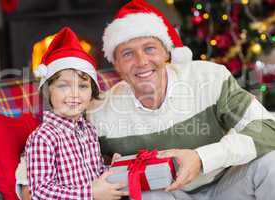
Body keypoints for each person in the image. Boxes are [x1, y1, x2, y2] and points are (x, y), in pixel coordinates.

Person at [17, 0, 275, 199]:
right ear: (115, 64)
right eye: (127, 53)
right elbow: (50, 144)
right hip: (169, 195)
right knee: (148, 194)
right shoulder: (100, 110)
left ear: (166, 52)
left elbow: (269, 129)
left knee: (271, 162)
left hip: (227, 186)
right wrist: (26, 184)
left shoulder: (209, 77)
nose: (141, 62)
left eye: (150, 49)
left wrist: (201, 158)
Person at [21, 27, 127, 200]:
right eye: (63, 85)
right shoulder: (43, 137)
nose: (75, 94)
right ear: (48, 92)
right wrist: (90, 194)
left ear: (91, 93)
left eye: (83, 86)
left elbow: (96, 174)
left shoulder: (88, 130)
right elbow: (40, 192)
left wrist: (113, 169)